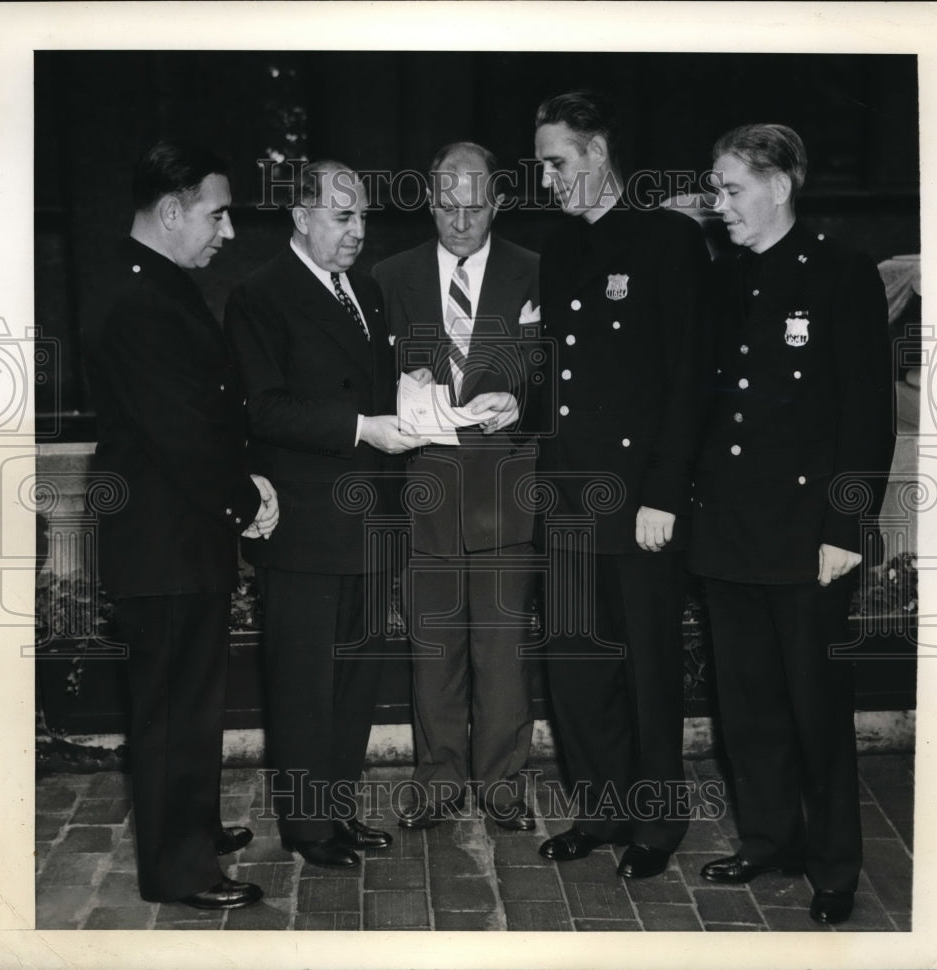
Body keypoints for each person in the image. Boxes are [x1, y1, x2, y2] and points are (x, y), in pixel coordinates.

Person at [689, 124, 894, 925]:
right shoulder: (722, 277)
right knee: (747, 705)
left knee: (816, 706)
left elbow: (865, 417)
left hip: (810, 536)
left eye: (732, 189)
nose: (720, 203)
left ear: (780, 186)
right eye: (715, 188)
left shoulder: (842, 276)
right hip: (731, 527)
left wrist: (847, 527)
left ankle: (835, 862)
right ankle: (769, 840)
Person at [83, 139, 279, 910]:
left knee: (190, 698)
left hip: (176, 535)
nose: (227, 232)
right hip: (166, 541)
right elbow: (187, 431)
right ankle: (178, 869)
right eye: (216, 214)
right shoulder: (138, 300)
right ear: (170, 212)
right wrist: (247, 503)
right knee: (172, 708)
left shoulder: (154, 284)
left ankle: (189, 825)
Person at [225, 161, 426, 869]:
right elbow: (263, 407)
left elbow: (376, 393)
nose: (357, 232)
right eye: (343, 218)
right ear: (300, 217)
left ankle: (338, 811)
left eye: (363, 217)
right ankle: (307, 828)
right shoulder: (259, 296)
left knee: (356, 678)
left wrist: (424, 400)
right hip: (306, 526)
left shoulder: (365, 292)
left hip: (372, 519)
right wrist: (362, 428)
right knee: (304, 684)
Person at [532, 92, 712, 878]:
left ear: (598, 153)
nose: (547, 179)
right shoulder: (559, 247)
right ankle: (598, 811)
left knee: (646, 667)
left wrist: (665, 493)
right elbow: (565, 378)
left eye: (557, 162)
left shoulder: (670, 240)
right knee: (576, 663)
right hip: (567, 493)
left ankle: (655, 827)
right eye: (541, 165)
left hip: (639, 499)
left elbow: (689, 379)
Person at [373, 142, 541, 830]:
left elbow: (562, 374)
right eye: (448, 204)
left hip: (506, 490)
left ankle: (504, 785)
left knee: (501, 654)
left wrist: (524, 400)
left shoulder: (537, 270)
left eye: (476, 206)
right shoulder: (390, 276)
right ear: (430, 200)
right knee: (433, 650)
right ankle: (438, 783)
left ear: (496, 202)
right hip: (426, 493)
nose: (462, 220)